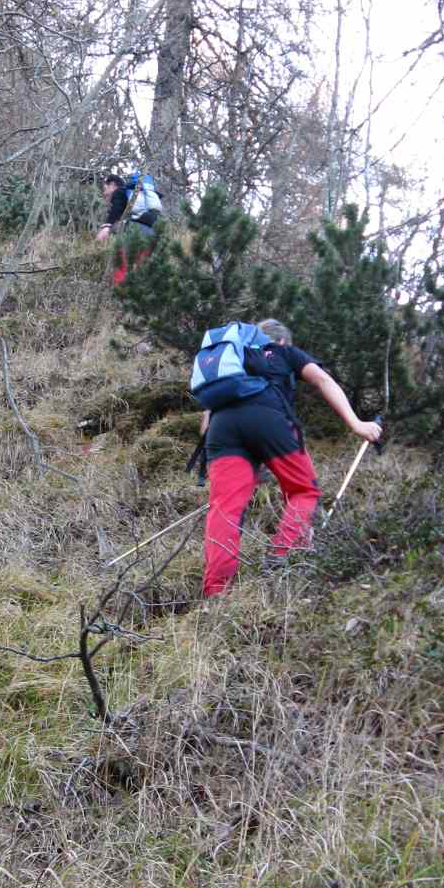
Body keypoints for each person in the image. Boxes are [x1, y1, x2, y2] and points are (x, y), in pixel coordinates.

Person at [199, 318, 382, 597]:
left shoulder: (235, 359)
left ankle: (215, 591)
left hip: (221, 430)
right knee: (304, 490)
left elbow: (208, 413)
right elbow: (322, 379)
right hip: (270, 419)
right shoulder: (284, 351)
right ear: (282, 341)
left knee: (224, 508)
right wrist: (357, 424)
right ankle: (282, 554)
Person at [95, 172, 158, 286]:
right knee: (141, 269)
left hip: (133, 232)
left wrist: (106, 226)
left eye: (105, 188)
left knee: (121, 266)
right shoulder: (141, 197)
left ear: (112, 185)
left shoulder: (120, 192)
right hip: (151, 235)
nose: (104, 193)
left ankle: (119, 296)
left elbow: (116, 210)